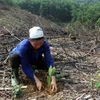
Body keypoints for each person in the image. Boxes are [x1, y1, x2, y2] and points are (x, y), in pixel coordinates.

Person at [9, 26, 57, 92]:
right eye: (35, 44)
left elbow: (49, 60)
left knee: (46, 65)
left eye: (41, 43)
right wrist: (36, 81)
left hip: (34, 57)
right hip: (21, 58)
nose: (38, 46)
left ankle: (34, 68)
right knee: (14, 57)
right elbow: (25, 66)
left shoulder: (45, 44)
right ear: (30, 41)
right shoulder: (24, 46)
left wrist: (53, 79)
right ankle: (14, 76)